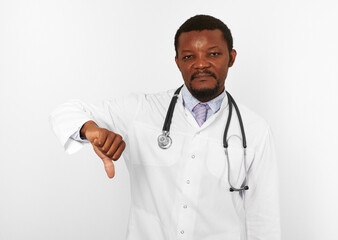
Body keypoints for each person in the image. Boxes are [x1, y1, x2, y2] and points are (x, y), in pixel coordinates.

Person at [50, 15, 281, 240]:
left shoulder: (256, 131)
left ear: (231, 58)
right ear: (177, 62)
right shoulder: (141, 111)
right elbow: (65, 111)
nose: (201, 64)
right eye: (189, 56)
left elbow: (264, 223)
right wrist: (90, 129)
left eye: (213, 54)